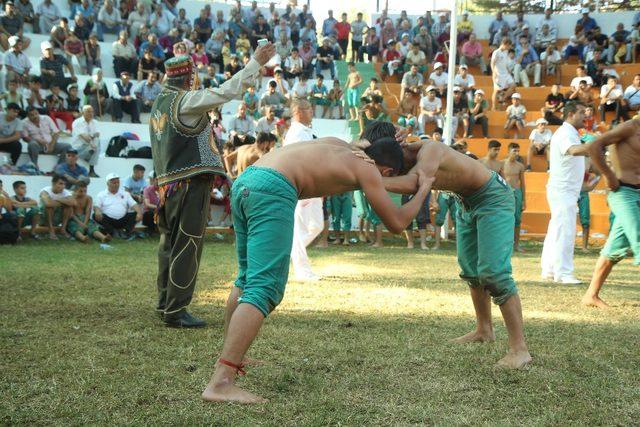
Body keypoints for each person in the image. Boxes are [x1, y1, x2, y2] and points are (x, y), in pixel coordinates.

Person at [201, 135, 432, 404]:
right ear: (388, 171)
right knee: (264, 288)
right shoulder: (368, 167)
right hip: (274, 188)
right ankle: (221, 381)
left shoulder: (341, 144)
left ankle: (232, 356)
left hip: (247, 180)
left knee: (246, 278)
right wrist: (423, 189)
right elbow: (396, 223)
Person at [364, 121, 532, 370]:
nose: (384, 173)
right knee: (471, 272)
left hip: (493, 197)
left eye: (382, 169)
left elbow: (417, 183)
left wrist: (366, 181)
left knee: (494, 274)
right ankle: (484, 330)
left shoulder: (429, 149)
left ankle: (520, 350)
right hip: (464, 201)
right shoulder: (393, 160)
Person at [152, 43, 275, 328]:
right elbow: (226, 91)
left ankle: (165, 303)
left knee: (168, 244)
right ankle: (177, 310)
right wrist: (254, 63)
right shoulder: (185, 101)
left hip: (167, 185)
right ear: (187, 78)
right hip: (189, 184)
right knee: (187, 244)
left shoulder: (160, 103)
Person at [582, 118, 640, 308]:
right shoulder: (631, 127)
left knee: (614, 250)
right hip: (622, 191)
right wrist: (608, 175)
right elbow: (594, 146)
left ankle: (591, 295)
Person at [541, 102, 591, 284]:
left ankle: (549, 270)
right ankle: (564, 273)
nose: (585, 115)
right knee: (565, 230)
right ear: (570, 114)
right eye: (581, 112)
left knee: (557, 230)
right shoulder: (564, 134)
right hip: (563, 190)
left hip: (566, 190)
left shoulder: (570, 133)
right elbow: (573, 150)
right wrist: (597, 144)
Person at [94, 173, 141, 239]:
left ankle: (125, 232)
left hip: (122, 220)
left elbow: (134, 204)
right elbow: (96, 206)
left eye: (118, 182)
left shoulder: (125, 194)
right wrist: (97, 211)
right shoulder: (101, 194)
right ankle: (112, 232)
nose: (116, 184)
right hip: (109, 220)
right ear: (108, 184)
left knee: (135, 213)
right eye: (114, 183)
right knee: (95, 215)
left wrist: (139, 213)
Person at [502, 143, 526, 253]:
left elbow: (523, 183)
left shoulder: (520, 166)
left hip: (517, 192)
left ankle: (516, 245)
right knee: (504, 219)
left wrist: (524, 199)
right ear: (508, 151)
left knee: (517, 219)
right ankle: (504, 245)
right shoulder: (501, 164)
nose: (516, 153)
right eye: (514, 151)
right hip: (505, 193)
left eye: (518, 151)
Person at [40, 174, 75, 240]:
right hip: (44, 218)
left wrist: (58, 199)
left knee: (69, 207)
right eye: (60, 184)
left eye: (64, 184)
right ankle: (51, 231)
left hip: (57, 218)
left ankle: (63, 229)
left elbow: (73, 203)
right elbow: (48, 203)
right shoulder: (45, 191)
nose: (63, 186)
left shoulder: (65, 192)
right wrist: (64, 202)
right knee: (50, 208)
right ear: (53, 183)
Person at [71, 105, 100, 177]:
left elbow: (97, 134)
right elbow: (85, 137)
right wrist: (92, 138)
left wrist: (92, 138)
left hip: (90, 146)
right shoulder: (77, 122)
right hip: (79, 148)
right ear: (83, 113)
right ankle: (91, 169)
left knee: (97, 141)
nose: (91, 114)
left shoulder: (95, 122)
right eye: (88, 112)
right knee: (96, 145)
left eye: (92, 112)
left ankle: (90, 153)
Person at [578, 168, 601, 252]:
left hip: (583, 192)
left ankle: (584, 247)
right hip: (570, 191)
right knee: (566, 220)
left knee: (585, 221)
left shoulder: (588, 159)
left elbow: (599, 174)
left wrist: (591, 185)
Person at [491, 37, 516, 110]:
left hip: (506, 73)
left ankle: (502, 97)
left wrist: (508, 71)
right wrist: (494, 72)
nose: (509, 47)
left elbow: (505, 63)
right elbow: (492, 63)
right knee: (496, 90)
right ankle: (494, 107)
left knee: (513, 85)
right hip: (498, 74)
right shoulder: (496, 52)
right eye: (509, 45)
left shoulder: (505, 52)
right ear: (505, 44)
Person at [142, 171, 159, 235]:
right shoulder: (147, 189)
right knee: (150, 213)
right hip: (149, 212)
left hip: (160, 210)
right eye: (157, 179)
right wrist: (158, 207)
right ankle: (151, 231)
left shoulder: (164, 189)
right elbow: (147, 204)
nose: (158, 181)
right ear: (153, 180)